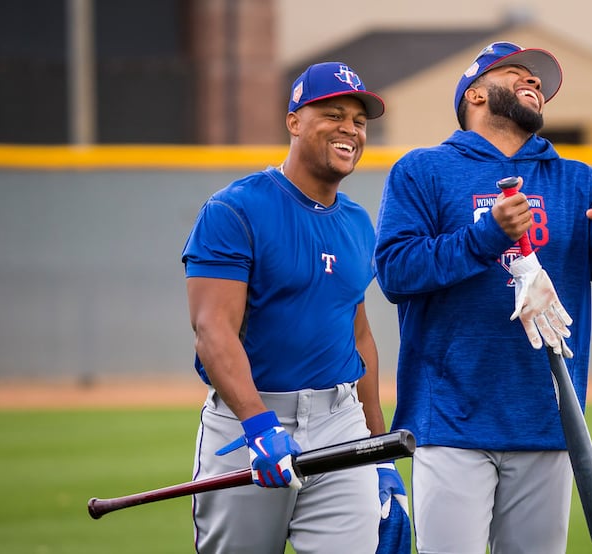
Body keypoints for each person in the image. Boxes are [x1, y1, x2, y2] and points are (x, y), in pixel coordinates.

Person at [374, 41, 592, 553]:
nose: (533, 84)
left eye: (539, 81)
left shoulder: (575, 179)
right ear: (475, 94)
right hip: (449, 424)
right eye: (516, 74)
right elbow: (395, 273)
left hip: (547, 421)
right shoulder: (422, 170)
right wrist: (487, 234)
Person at [181, 61, 408, 554]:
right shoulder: (233, 209)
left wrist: (378, 449)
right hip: (249, 424)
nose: (349, 128)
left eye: (359, 120)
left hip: (339, 422)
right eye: (332, 114)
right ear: (294, 121)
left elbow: (359, 337)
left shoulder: (357, 222)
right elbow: (212, 329)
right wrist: (258, 424)